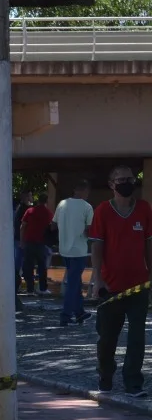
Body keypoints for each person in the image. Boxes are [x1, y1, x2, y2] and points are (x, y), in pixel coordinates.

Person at [89, 166, 152, 395]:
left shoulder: (144, 209)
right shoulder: (103, 211)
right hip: (111, 286)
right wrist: (98, 280)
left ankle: (133, 382)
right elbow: (97, 245)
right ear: (111, 184)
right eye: (121, 179)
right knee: (107, 338)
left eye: (130, 179)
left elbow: (148, 243)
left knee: (137, 337)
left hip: (139, 286)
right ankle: (105, 375)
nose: (126, 182)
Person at [53, 179, 93, 326]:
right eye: (87, 192)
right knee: (73, 283)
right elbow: (90, 230)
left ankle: (79, 312)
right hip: (79, 250)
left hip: (64, 249)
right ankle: (65, 314)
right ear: (83, 191)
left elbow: (53, 224)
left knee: (75, 282)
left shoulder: (62, 204)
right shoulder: (87, 207)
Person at [19, 195, 54, 296]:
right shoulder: (48, 213)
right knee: (42, 267)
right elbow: (52, 227)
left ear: (38, 201)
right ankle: (42, 289)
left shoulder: (30, 211)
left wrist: (22, 241)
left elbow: (23, 226)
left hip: (29, 242)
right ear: (46, 201)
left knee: (28, 267)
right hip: (41, 243)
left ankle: (30, 289)